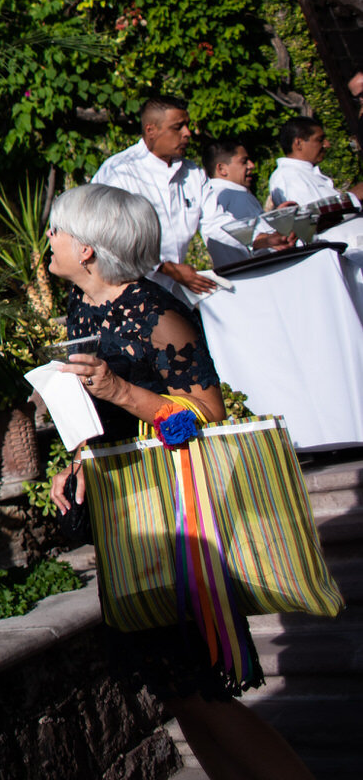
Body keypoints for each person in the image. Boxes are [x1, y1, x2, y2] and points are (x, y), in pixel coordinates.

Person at [44, 184, 315, 780]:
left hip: (177, 514)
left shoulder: (157, 312)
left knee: (197, 688)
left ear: (88, 249)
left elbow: (209, 416)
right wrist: (78, 460)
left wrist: (121, 390)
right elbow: (104, 420)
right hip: (126, 516)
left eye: (57, 230)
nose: (49, 240)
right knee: (173, 689)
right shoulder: (83, 311)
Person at [90, 95, 215, 300]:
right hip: (125, 293)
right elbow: (108, 237)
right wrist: (165, 268)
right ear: (151, 131)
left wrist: (256, 239)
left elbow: (215, 223)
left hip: (174, 294)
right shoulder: (119, 172)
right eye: (178, 127)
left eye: (187, 125)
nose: (187, 133)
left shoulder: (193, 173)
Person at [200, 140, 291, 267]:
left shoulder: (212, 195)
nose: (252, 165)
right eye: (244, 161)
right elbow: (269, 245)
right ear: (222, 169)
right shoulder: (236, 195)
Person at [268, 116, 363, 208]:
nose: (327, 145)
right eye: (320, 140)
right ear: (298, 143)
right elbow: (313, 216)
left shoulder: (302, 173)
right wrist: (353, 196)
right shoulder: (288, 175)